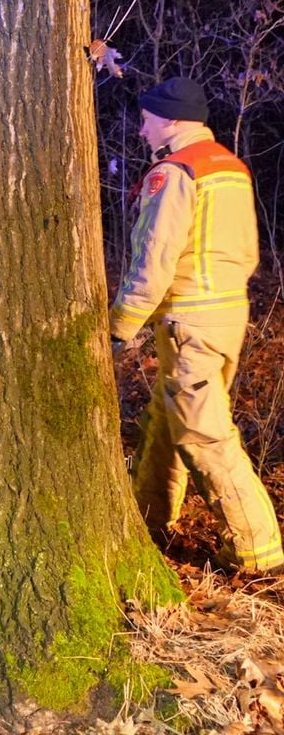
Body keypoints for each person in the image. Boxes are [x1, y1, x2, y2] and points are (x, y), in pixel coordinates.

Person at [111, 76, 283, 575]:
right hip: (228, 314)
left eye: (146, 119)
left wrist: (121, 324)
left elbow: (155, 257)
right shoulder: (230, 167)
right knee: (168, 418)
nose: (142, 129)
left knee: (204, 434)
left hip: (190, 318)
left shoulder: (176, 171)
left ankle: (257, 550)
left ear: (170, 119)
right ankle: (148, 518)